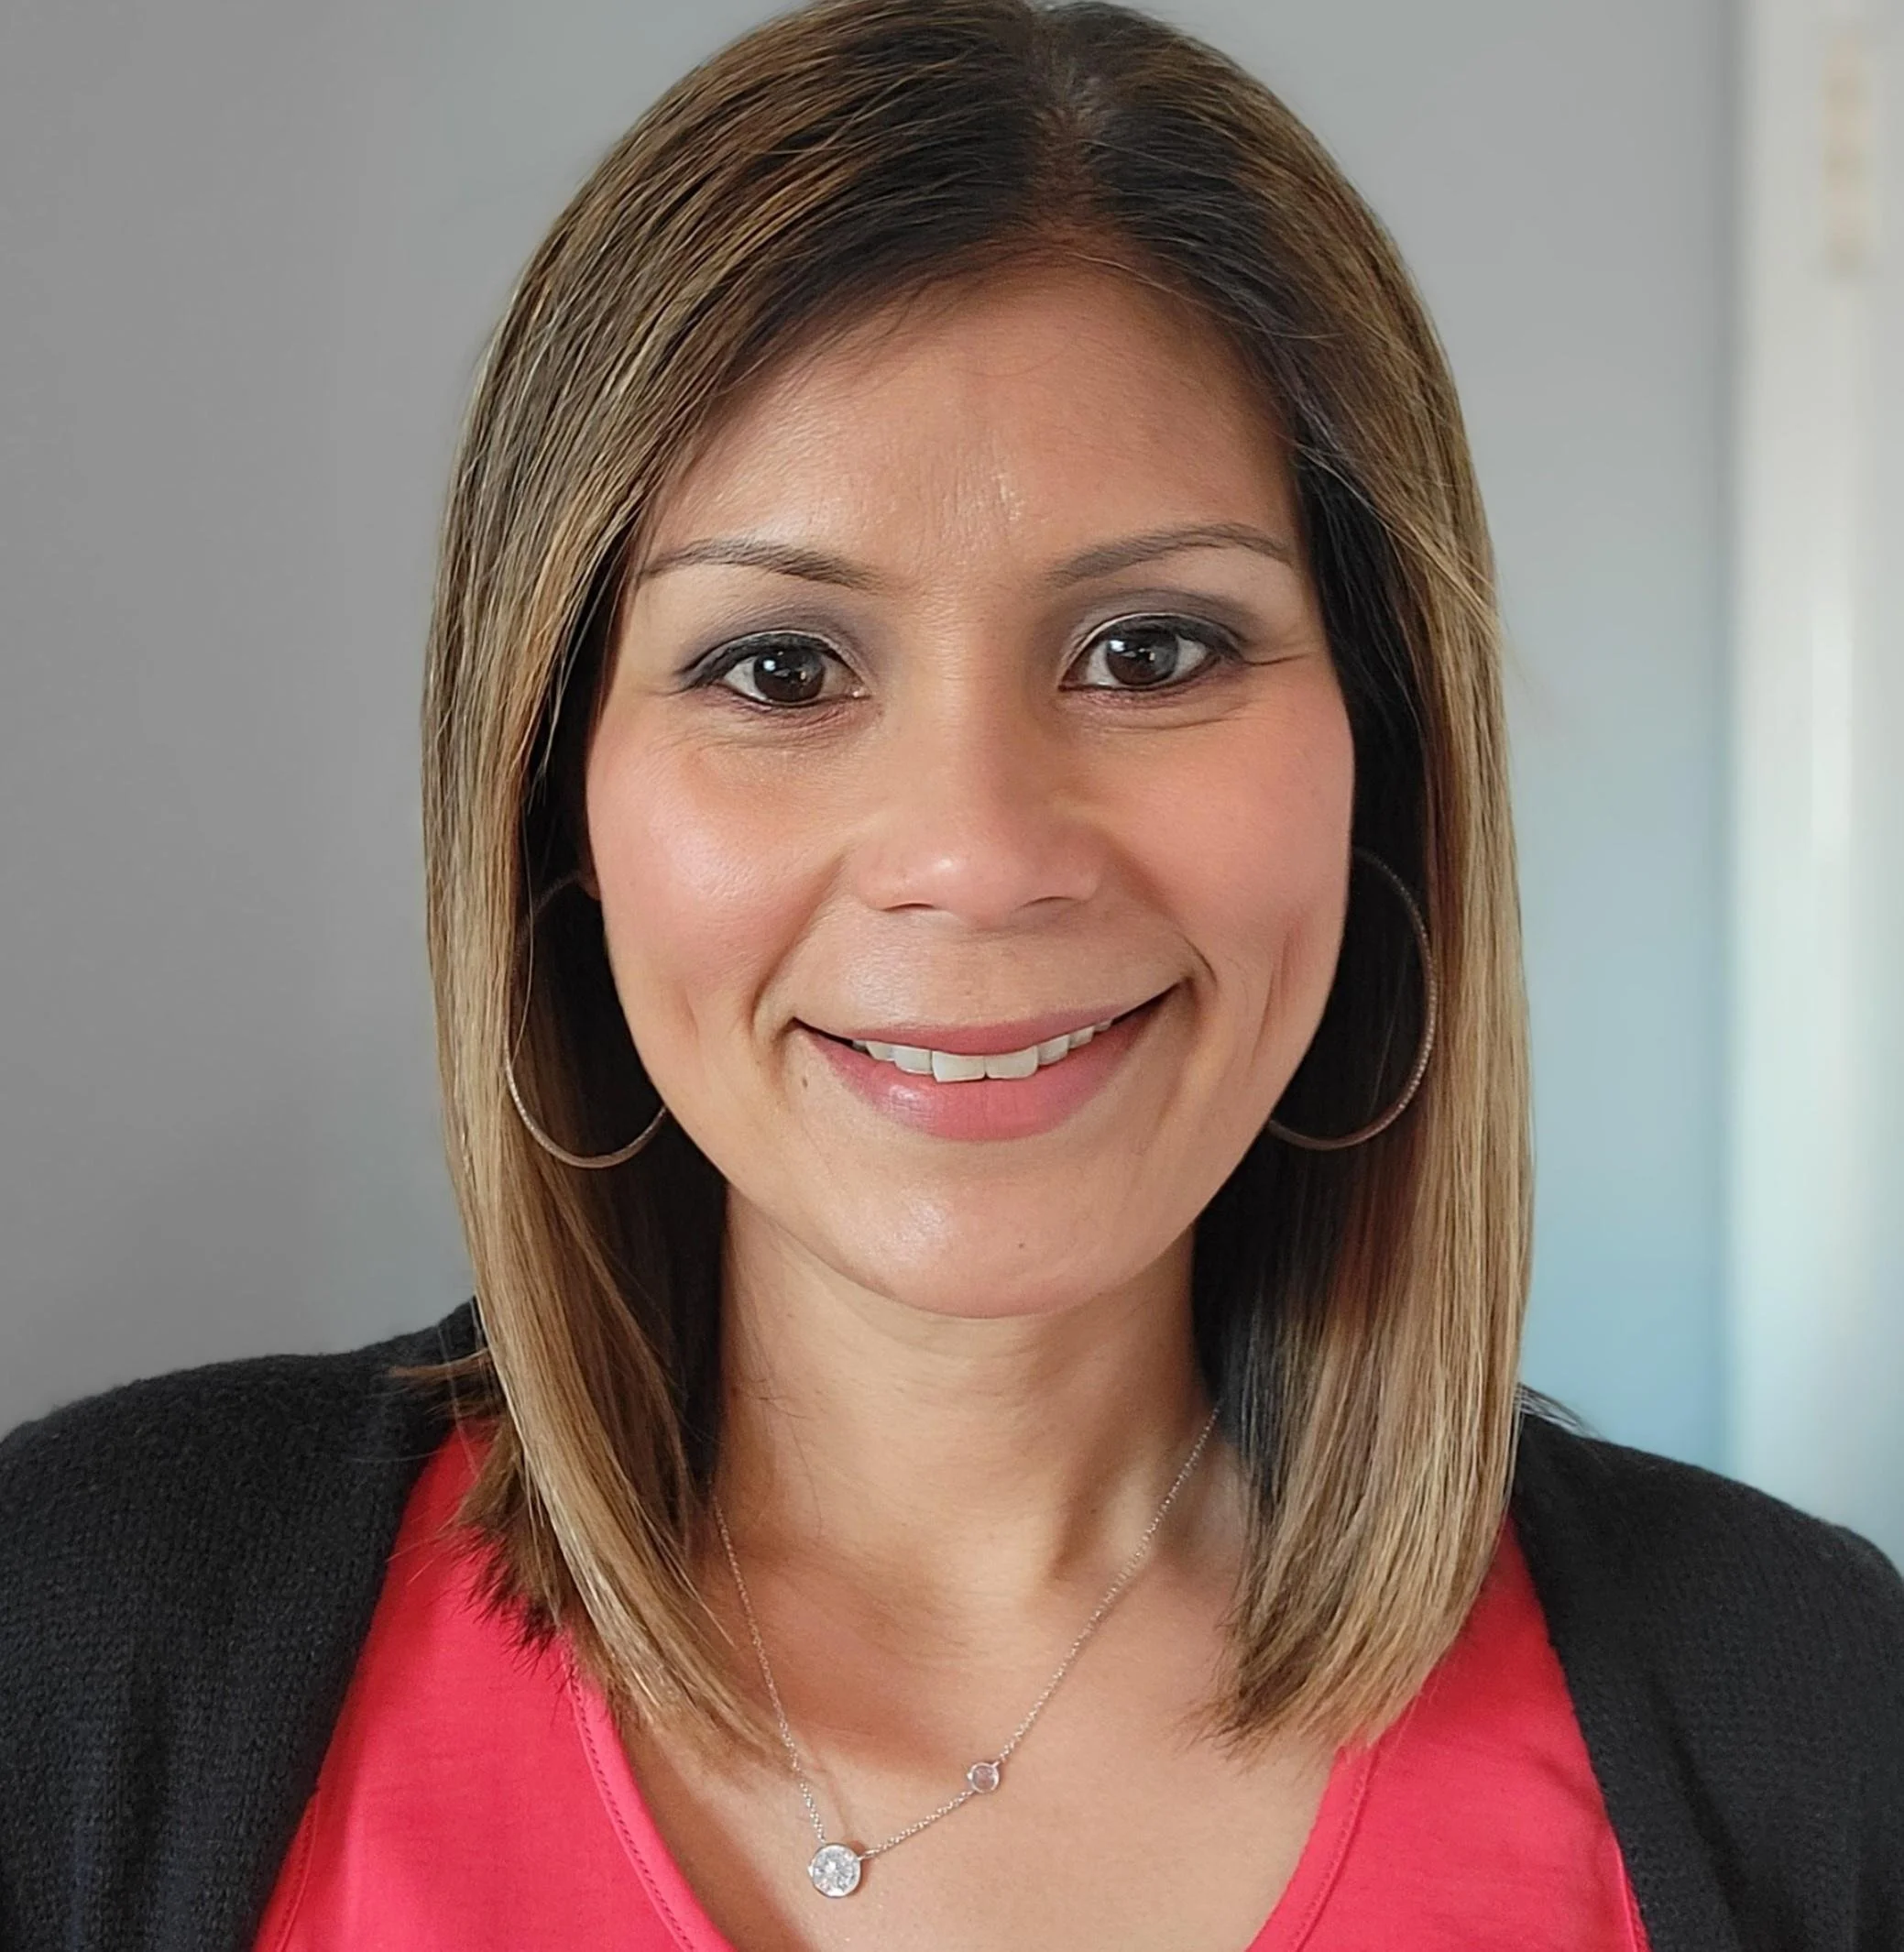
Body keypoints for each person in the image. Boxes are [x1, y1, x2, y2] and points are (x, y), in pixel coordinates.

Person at [2, 2, 1899, 1948]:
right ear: (553, 796)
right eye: (779, 669)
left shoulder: (1814, 1723)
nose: (978, 856)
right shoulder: (77, 1637)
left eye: (1151, 651)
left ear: (1380, 757)